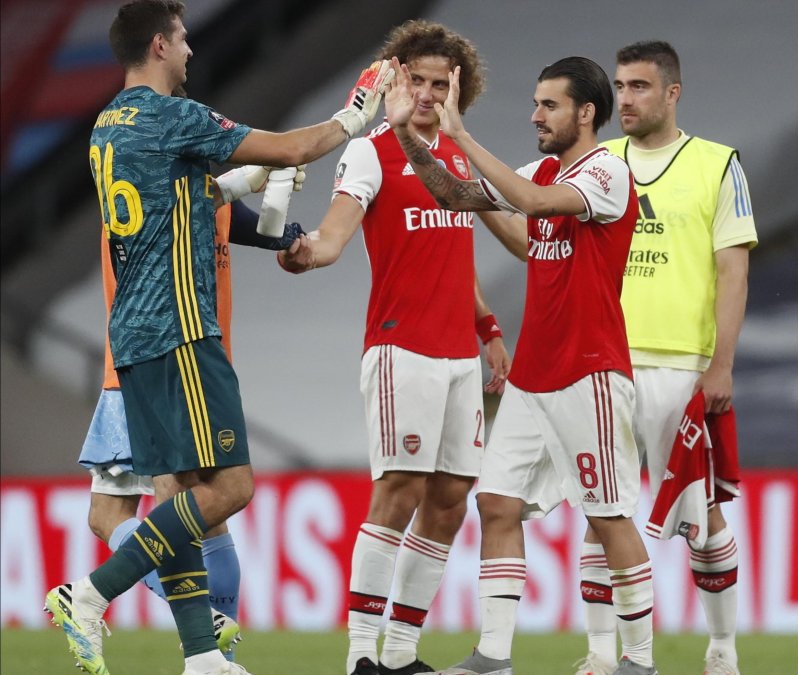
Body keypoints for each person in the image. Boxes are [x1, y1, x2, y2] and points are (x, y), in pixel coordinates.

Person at [44, 2, 390, 674]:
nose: (191, 52)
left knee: (181, 490)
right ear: (158, 44)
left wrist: (268, 207)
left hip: (135, 337)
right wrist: (357, 114)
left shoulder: (104, 128)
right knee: (229, 488)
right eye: (181, 39)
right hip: (181, 331)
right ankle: (90, 594)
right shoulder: (173, 117)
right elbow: (292, 145)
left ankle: (203, 655)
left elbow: (202, 201)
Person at [383, 55, 658, 675]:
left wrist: (461, 136)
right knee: (498, 504)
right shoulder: (545, 169)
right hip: (535, 373)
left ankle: (639, 661)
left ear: (586, 113)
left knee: (608, 515)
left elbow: (531, 202)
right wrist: (407, 135)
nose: (535, 115)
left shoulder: (608, 171)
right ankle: (494, 656)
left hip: (589, 371)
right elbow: (459, 196)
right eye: (535, 102)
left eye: (550, 105)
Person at [276, 20, 509, 675]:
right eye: (419, 80)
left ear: (460, 88)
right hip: (400, 348)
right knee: (399, 491)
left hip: (458, 355)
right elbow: (332, 236)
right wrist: (305, 255)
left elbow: (453, 255)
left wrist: (486, 326)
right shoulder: (372, 151)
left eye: (443, 83)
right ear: (394, 79)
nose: (430, 93)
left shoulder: (460, 155)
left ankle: (402, 654)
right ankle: (360, 656)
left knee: (450, 497)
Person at [560, 40, 756, 675]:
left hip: (680, 364)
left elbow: (733, 271)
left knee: (705, 517)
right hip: (602, 361)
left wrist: (721, 364)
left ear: (673, 93)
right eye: (619, 86)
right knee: (601, 510)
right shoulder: (597, 161)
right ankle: (597, 654)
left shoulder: (717, 164)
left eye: (640, 87)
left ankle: (722, 648)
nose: (625, 99)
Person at [81, 197, 305, 662]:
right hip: (192, 365)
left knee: (122, 513)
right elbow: (247, 207)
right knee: (202, 516)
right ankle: (216, 656)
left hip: (150, 367)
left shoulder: (176, 179)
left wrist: (292, 234)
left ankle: (194, 631)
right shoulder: (188, 184)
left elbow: (248, 220)